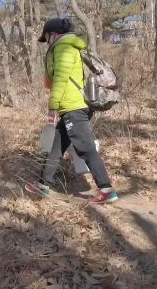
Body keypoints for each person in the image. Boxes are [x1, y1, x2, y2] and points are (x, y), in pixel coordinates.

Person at [25, 18, 118, 204]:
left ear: (53, 34)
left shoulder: (63, 48)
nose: (47, 42)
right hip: (70, 107)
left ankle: (106, 189)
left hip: (73, 108)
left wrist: (52, 107)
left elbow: (60, 79)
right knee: (56, 147)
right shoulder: (67, 47)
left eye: (47, 37)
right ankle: (44, 185)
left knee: (86, 147)